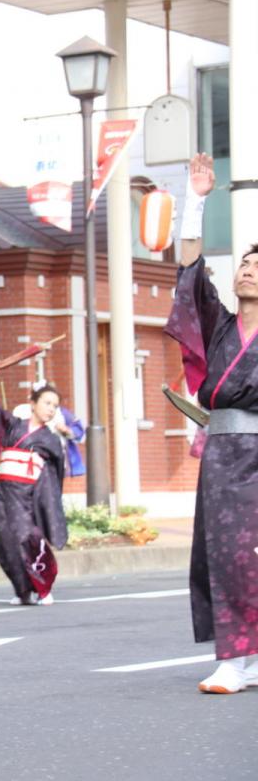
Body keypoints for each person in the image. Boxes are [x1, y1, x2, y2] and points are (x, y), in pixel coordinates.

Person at [163, 153, 258, 694]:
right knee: (226, 552)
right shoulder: (219, 325)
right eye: (244, 262)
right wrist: (195, 201)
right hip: (225, 458)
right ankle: (235, 660)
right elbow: (191, 271)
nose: (247, 268)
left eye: (257, 264)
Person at [0, 372, 66, 605]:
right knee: (2, 539)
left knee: (28, 537)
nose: (51, 409)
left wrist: (49, 500)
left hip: (28, 496)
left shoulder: (50, 440)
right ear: (32, 403)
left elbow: (55, 471)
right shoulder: (13, 426)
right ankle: (23, 590)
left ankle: (43, 588)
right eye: (47, 403)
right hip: (4, 492)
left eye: (55, 406)